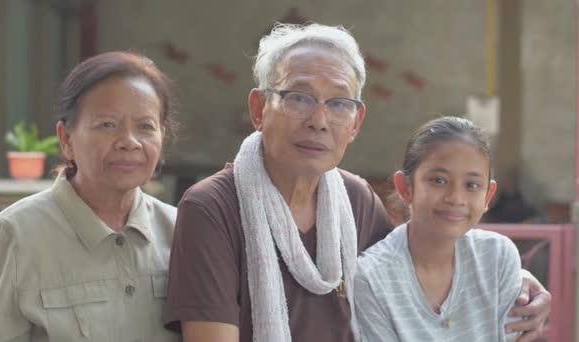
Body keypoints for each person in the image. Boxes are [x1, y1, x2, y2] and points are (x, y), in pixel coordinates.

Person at [164, 23, 551, 342]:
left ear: (356, 123)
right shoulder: (212, 208)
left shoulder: (355, 199)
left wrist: (517, 280)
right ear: (258, 109)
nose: (319, 120)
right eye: (299, 98)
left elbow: (414, 267)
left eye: (338, 103)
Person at [0, 51, 181, 341]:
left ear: (161, 137)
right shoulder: (16, 234)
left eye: (145, 126)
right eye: (108, 124)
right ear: (66, 139)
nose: (129, 142)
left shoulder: (183, 230)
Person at [355, 116, 525, 341]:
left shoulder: (498, 257)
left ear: (488, 196)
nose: (456, 198)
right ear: (405, 187)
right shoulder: (371, 278)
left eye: (472, 185)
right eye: (438, 180)